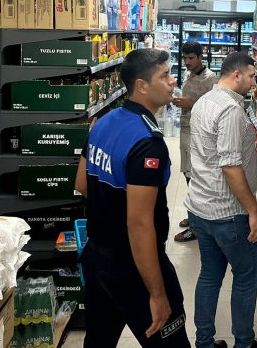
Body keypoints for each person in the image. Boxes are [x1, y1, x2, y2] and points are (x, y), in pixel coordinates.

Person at [75, 49, 191, 348]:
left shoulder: (103, 122)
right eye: (164, 75)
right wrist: (157, 293)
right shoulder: (147, 143)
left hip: (97, 260)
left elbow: (82, 184)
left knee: (98, 342)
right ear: (142, 86)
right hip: (134, 270)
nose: (172, 80)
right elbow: (139, 226)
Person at [185, 52, 257, 348]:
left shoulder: (205, 101)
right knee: (246, 278)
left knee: (209, 275)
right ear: (236, 75)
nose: (255, 82)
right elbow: (230, 166)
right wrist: (253, 211)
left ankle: (204, 342)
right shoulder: (230, 110)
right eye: (252, 76)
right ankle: (244, 342)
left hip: (201, 207)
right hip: (229, 213)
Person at [172, 41, 218, 242]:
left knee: (196, 179)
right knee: (187, 175)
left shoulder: (211, 79)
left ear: (200, 57)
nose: (187, 62)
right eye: (185, 58)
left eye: (191, 58)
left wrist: (191, 103)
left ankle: (197, 228)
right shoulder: (188, 74)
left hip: (199, 134)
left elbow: (214, 108)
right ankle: (194, 217)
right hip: (185, 129)